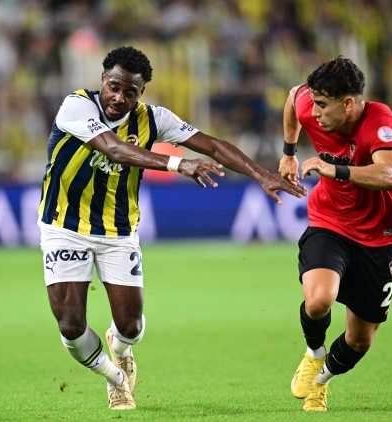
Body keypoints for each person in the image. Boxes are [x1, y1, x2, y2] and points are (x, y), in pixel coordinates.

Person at [39, 46, 307, 410]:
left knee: (130, 327)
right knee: (71, 326)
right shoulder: (76, 106)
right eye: (114, 87)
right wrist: (177, 164)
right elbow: (114, 149)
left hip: (118, 231)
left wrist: (261, 175)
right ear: (102, 79)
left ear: (141, 93)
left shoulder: (153, 118)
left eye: (130, 92)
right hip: (64, 226)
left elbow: (212, 146)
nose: (119, 98)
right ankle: (116, 380)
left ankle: (121, 350)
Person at [279, 56, 392, 411]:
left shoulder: (381, 123)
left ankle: (321, 382)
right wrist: (289, 152)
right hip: (329, 221)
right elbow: (292, 99)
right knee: (319, 300)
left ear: (347, 103)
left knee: (360, 340)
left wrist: (336, 170)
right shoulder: (310, 104)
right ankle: (314, 352)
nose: (315, 113)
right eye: (314, 103)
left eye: (323, 105)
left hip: (378, 237)